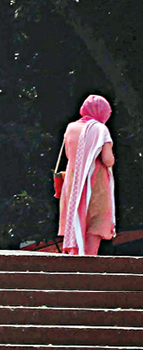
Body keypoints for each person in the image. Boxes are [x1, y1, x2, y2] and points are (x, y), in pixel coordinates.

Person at [57, 95, 116, 256]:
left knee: (75, 217)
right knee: (96, 222)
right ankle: (89, 259)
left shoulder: (70, 128)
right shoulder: (101, 130)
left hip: (73, 182)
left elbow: (69, 155)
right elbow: (108, 160)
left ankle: (75, 256)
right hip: (95, 183)